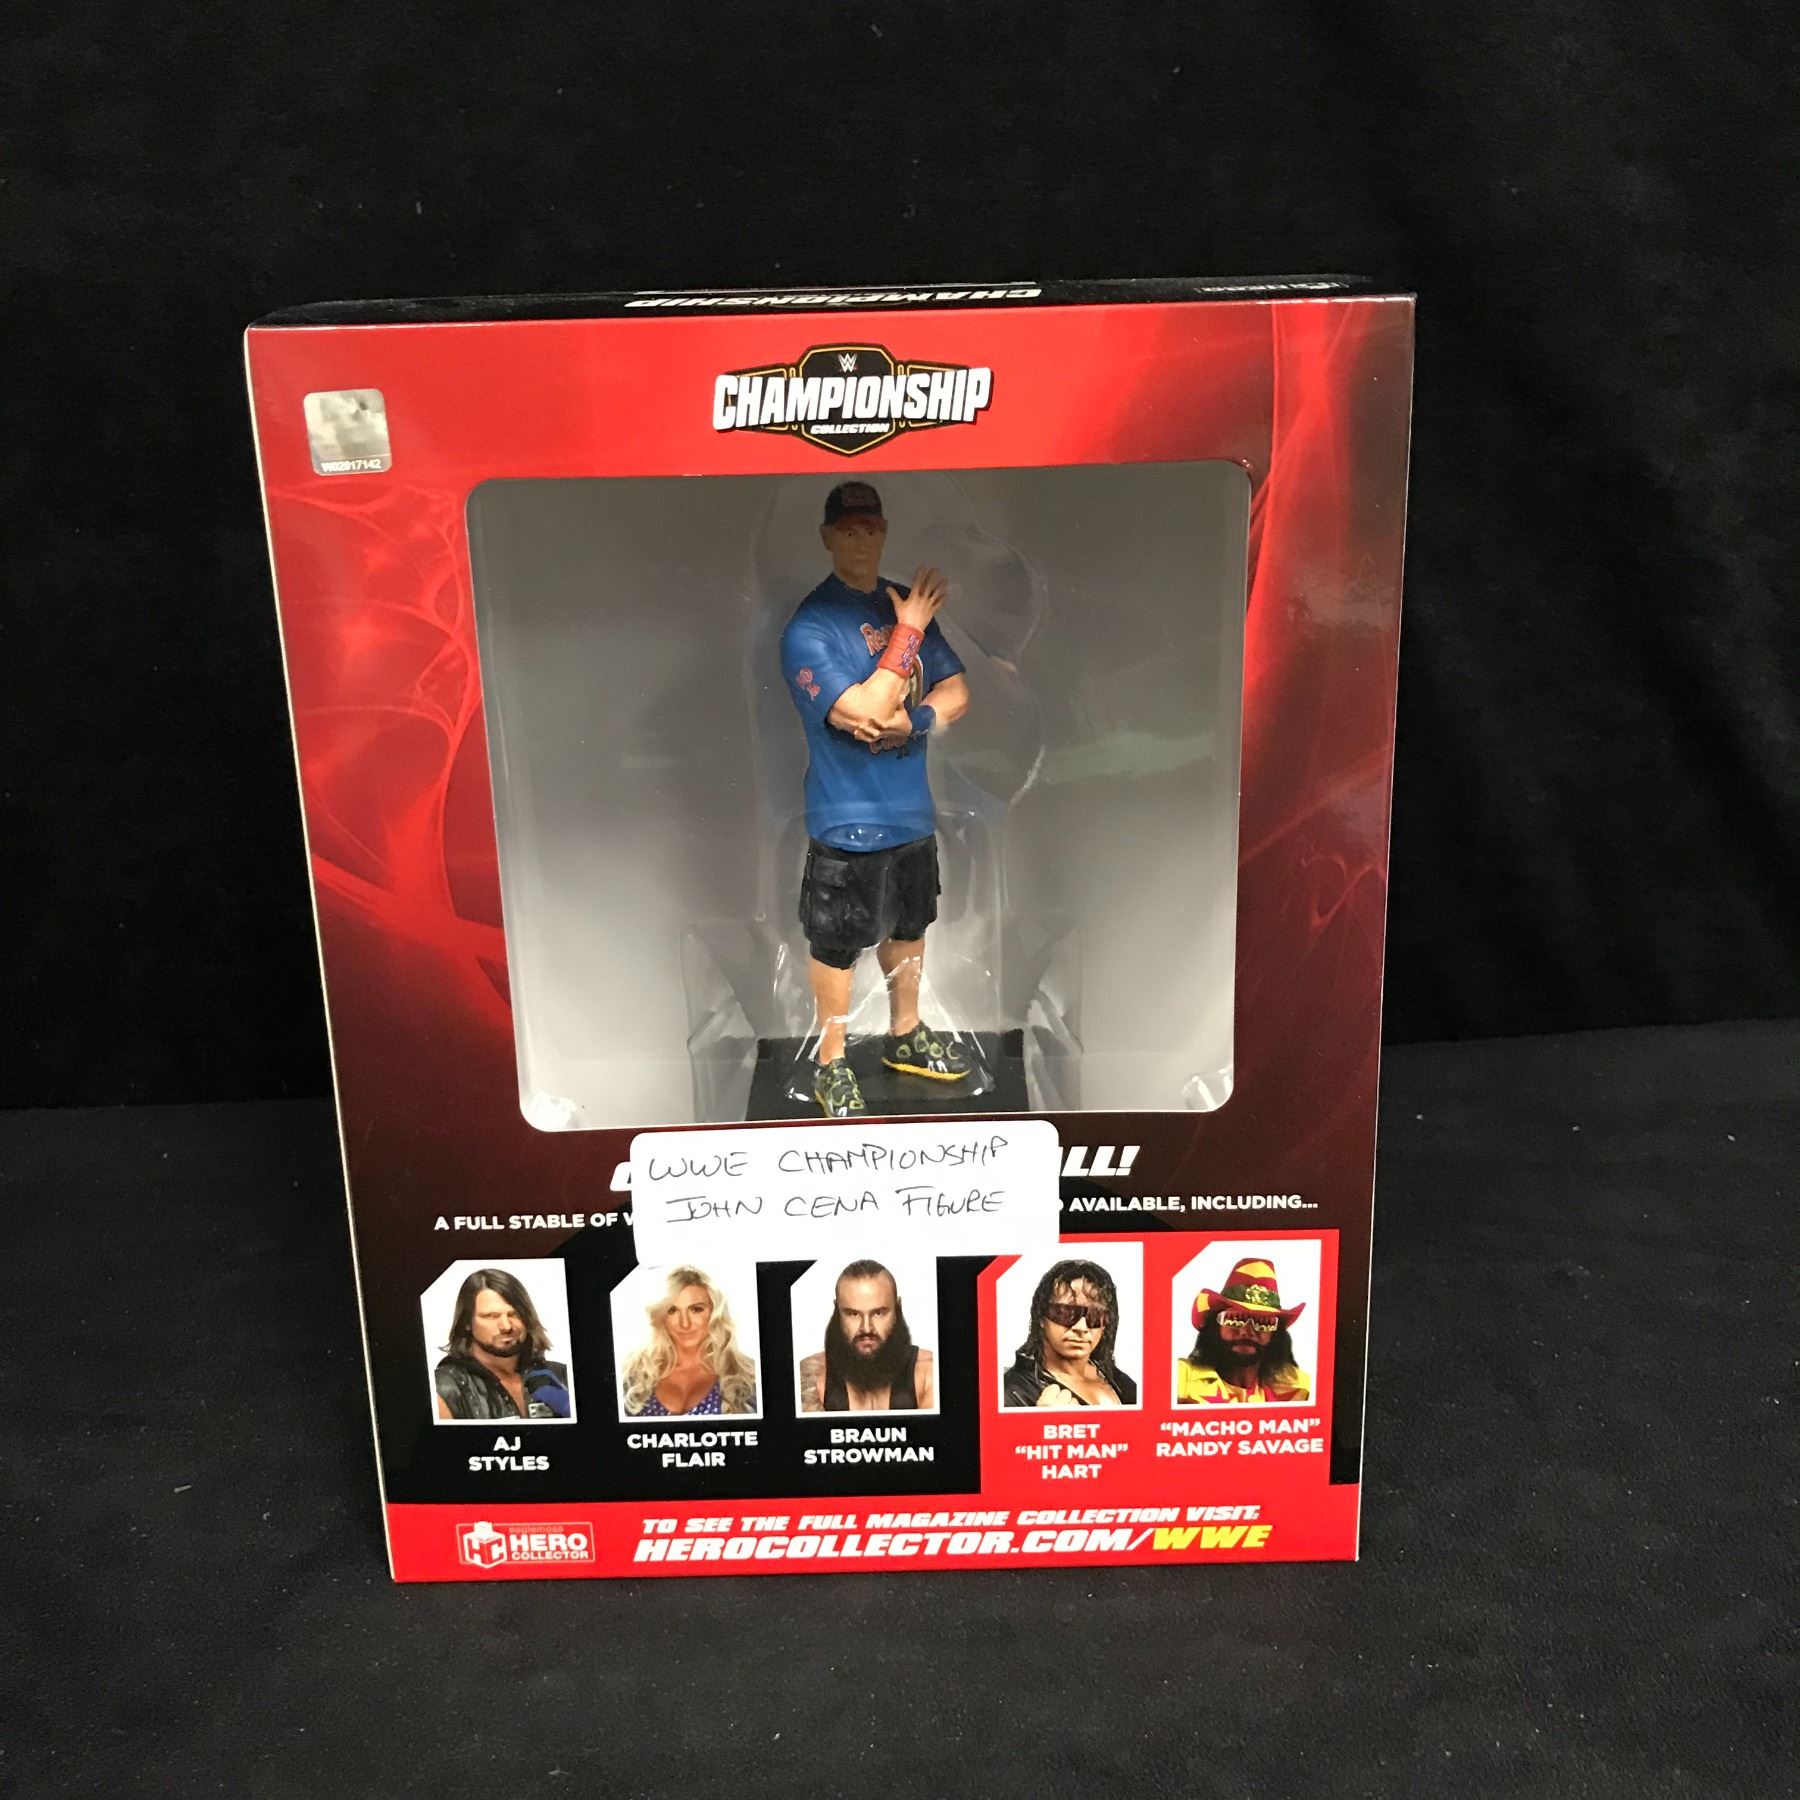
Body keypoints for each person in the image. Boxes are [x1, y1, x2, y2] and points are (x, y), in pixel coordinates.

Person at [779, 481, 975, 1118]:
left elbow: (957, 689)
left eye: (871, 530)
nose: (861, 542)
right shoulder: (810, 627)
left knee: (911, 924)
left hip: (910, 812)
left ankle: (905, 1032)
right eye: (848, 531)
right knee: (837, 942)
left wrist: (916, 721)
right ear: (827, 537)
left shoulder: (899, 601)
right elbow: (864, 710)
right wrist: (909, 631)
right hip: (846, 819)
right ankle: (831, 1060)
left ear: (884, 532)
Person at [433, 1268, 572, 1421]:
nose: (506, 1326)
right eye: (491, 1316)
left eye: (514, 1314)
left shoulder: (562, 1376)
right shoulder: (445, 1387)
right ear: (467, 1322)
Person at [798, 1259, 936, 1412]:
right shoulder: (811, 1375)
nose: (866, 1328)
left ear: (897, 1307)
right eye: (853, 1314)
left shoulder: (930, 1371)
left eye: (878, 1313)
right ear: (837, 1311)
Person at [620, 1265, 758, 1417]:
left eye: (696, 1309)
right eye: (672, 1310)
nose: (685, 1324)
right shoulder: (635, 1373)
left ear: (714, 1313)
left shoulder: (747, 1375)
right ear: (661, 1316)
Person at [1175, 1256, 1312, 1405]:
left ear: (1275, 1334)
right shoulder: (1181, 1378)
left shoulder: (1301, 1388)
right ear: (1215, 1326)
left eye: (1263, 1322)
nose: (1246, 1331)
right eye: (1234, 1319)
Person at [1002, 1258, 1138, 1408]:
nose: (1081, 1327)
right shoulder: (1009, 1393)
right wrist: (1039, 1421)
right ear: (1041, 1317)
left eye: (1095, 1315)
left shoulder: (1117, 1379)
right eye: (1066, 1313)